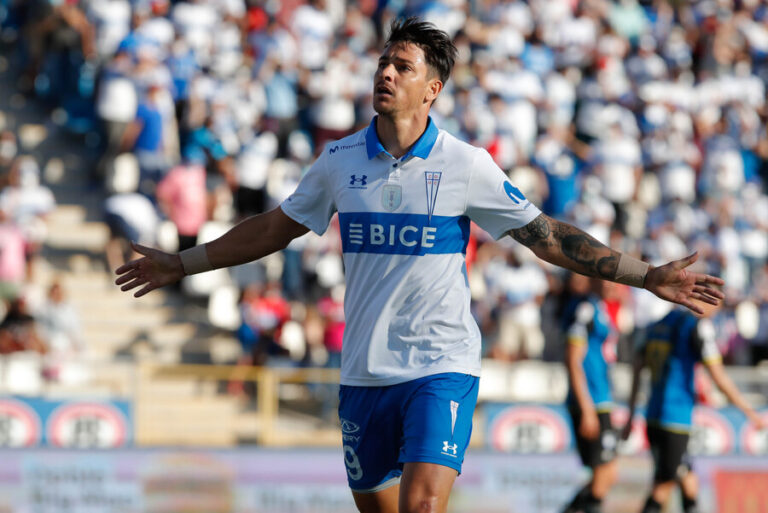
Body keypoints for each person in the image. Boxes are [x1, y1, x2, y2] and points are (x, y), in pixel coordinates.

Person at [115, 18, 725, 513]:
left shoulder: (467, 165)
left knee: (423, 507)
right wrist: (184, 261)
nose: (385, 72)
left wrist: (647, 276)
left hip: (441, 364)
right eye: (384, 62)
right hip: (362, 375)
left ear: (432, 88)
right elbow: (276, 227)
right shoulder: (339, 160)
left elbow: (547, 237)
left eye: (402, 66)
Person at [622, 304, 765, 513]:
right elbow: (719, 377)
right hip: (675, 417)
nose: (717, 310)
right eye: (717, 303)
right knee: (664, 484)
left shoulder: (657, 325)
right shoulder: (697, 326)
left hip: (653, 415)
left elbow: (637, 366)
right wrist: (750, 412)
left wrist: (632, 413)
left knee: (688, 478)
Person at [561, 275, 619, 513]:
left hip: (601, 399)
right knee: (604, 472)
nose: (609, 284)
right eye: (603, 279)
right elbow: (573, 359)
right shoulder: (585, 308)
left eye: (612, 280)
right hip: (590, 401)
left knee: (604, 473)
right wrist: (586, 409)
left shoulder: (600, 308)